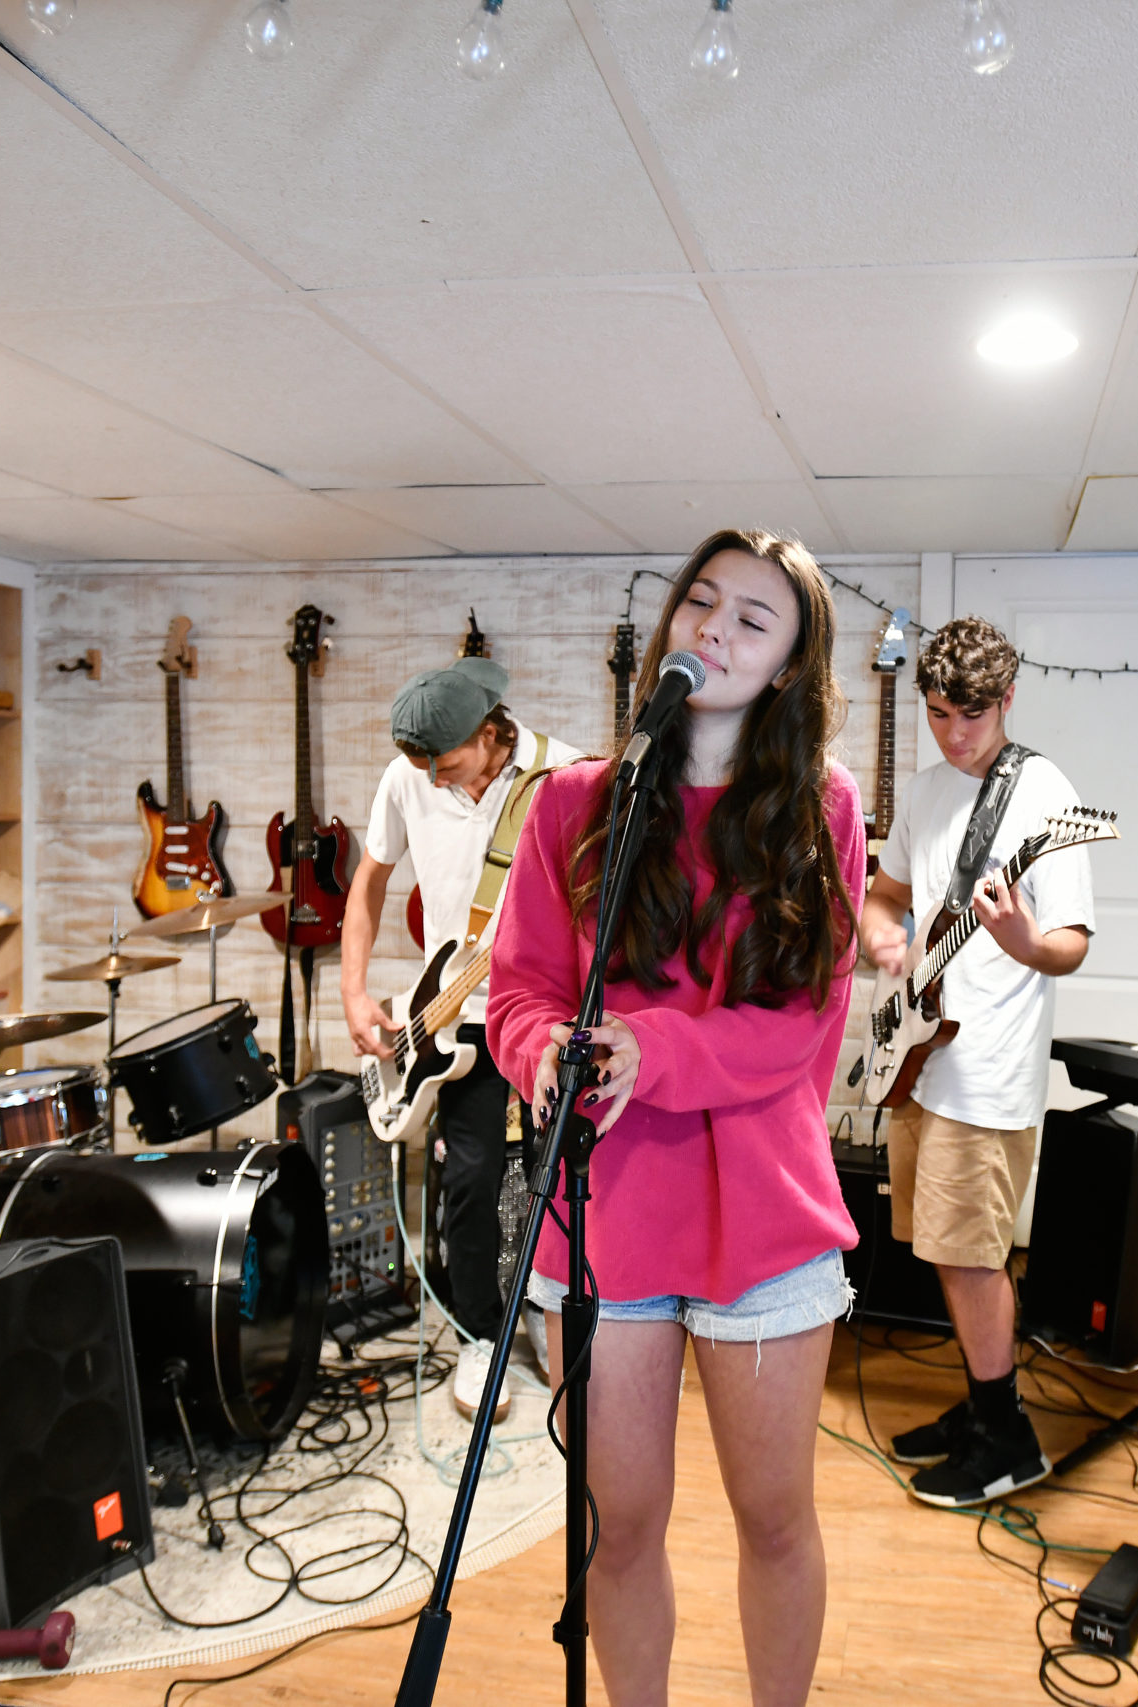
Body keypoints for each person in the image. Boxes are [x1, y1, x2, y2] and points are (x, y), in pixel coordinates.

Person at [485, 528, 866, 1707]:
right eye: (702, 601)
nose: (714, 627)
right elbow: (520, 988)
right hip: (606, 1215)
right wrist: (540, 1048)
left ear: (791, 666)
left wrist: (656, 1048)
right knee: (619, 1524)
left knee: (772, 1518)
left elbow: (803, 1024)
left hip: (762, 1212)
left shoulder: (822, 810)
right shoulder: (571, 804)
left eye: (754, 618)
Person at [860, 617, 1094, 1507]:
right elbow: (887, 895)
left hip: (988, 1066)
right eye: (939, 714)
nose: (956, 735)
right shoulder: (923, 793)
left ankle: (1008, 1437)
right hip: (917, 1055)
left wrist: (1027, 940)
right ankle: (978, 1404)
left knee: (971, 1254)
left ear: (1007, 699)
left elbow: (1070, 942)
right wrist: (886, 941)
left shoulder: (1043, 792)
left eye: (973, 715)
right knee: (938, 1246)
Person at [341, 654, 582, 1421]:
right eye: (423, 768)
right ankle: (480, 1337)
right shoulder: (407, 776)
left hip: (547, 1017)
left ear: (490, 732)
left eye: (445, 764)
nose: (433, 780)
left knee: (562, 1179)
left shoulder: (568, 777)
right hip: (451, 1018)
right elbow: (370, 881)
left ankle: (554, 1323)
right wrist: (352, 991)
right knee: (471, 1183)